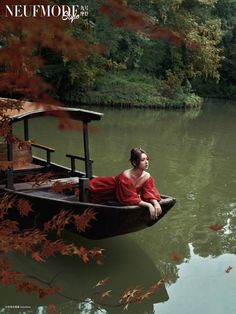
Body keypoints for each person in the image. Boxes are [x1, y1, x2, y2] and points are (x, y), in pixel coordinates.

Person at [90, 148, 162, 219]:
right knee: (88, 193)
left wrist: (155, 203)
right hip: (103, 188)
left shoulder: (147, 177)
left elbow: (149, 192)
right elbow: (129, 197)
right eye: (143, 160)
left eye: (147, 159)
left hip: (119, 196)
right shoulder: (125, 177)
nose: (146, 162)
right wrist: (148, 205)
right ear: (134, 163)